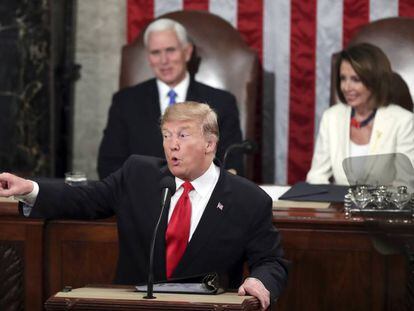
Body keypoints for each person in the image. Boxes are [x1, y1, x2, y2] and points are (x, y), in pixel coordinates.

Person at [0, 102, 288, 310]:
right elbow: (87, 199)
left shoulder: (248, 199)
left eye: (183, 135)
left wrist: (260, 283)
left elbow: (271, 261)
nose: (172, 145)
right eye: (166, 135)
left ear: (210, 143)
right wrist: (31, 190)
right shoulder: (138, 174)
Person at [97, 18, 244, 179]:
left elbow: (231, 164)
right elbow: (109, 164)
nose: (163, 60)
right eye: (155, 53)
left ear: (187, 52)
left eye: (170, 50)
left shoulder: (221, 103)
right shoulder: (125, 102)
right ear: (148, 57)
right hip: (141, 197)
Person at [306, 43, 414, 185]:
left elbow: (406, 183)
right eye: (343, 78)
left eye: (355, 79)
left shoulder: (403, 121)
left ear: (375, 81)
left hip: (386, 206)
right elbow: (316, 177)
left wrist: (369, 205)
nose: (346, 87)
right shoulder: (331, 117)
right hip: (340, 205)